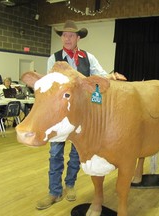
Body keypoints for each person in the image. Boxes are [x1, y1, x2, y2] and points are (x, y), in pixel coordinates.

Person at [37, 20, 125, 210]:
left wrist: (112, 75)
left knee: (77, 153)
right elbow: (51, 85)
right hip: (60, 115)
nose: (67, 38)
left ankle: (70, 185)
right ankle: (54, 191)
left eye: (71, 35)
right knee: (55, 153)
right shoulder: (53, 58)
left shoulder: (88, 57)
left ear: (78, 38)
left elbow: (100, 75)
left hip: (80, 116)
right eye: (64, 35)